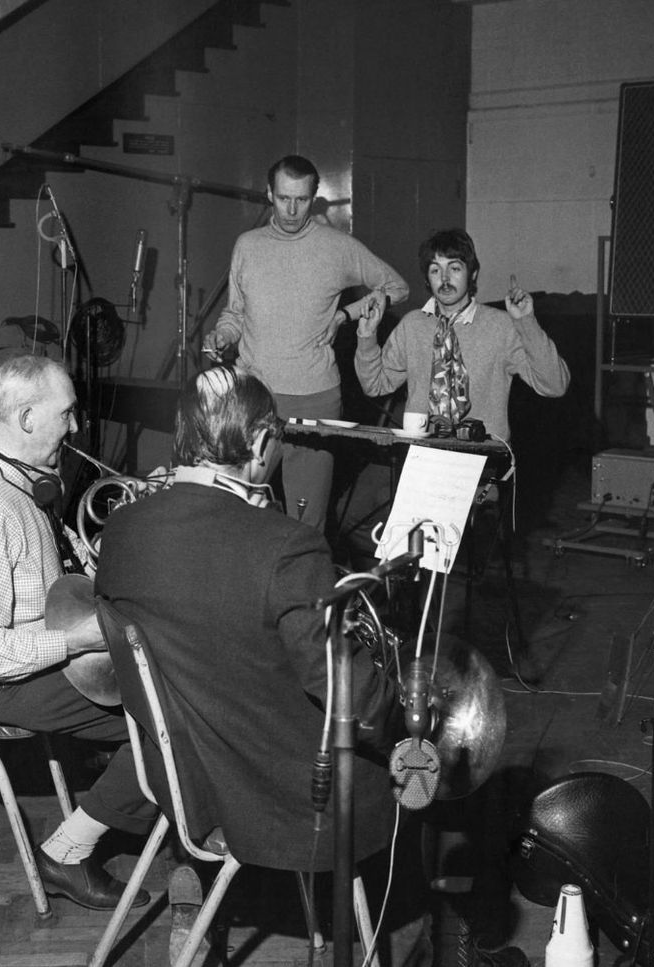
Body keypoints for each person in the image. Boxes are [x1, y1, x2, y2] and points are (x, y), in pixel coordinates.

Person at [94, 369, 431, 964]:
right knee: (428, 769)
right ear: (258, 445)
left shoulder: (122, 529)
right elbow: (349, 695)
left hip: (181, 785)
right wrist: (408, 716)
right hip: (286, 804)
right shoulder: (287, 546)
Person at [0, 353, 157, 910]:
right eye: (68, 414)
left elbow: (46, 586)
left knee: (172, 686)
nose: (77, 427)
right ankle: (68, 851)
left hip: (33, 659)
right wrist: (79, 640)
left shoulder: (19, 476)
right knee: (172, 713)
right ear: (28, 419)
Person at [203, 154, 409, 532]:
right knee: (235, 512)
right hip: (253, 398)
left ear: (314, 197)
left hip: (314, 399)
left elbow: (397, 286)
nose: (292, 210)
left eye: (301, 199)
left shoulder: (336, 246)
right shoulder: (247, 245)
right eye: (284, 199)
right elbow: (235, 314)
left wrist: (346, 314)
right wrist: (222, 335)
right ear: (269, 194)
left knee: (305, 525)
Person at [353, 227, 570, 441]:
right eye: (435, 270)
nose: (444, 278)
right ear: (427, 279)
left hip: (483, 457)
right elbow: (374, 385)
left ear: (472, 273)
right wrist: (367, 336)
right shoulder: (412, 325)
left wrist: (526, 323)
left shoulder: (500, 326)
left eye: (454, 268)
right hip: (423, 454)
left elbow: (554, 385)